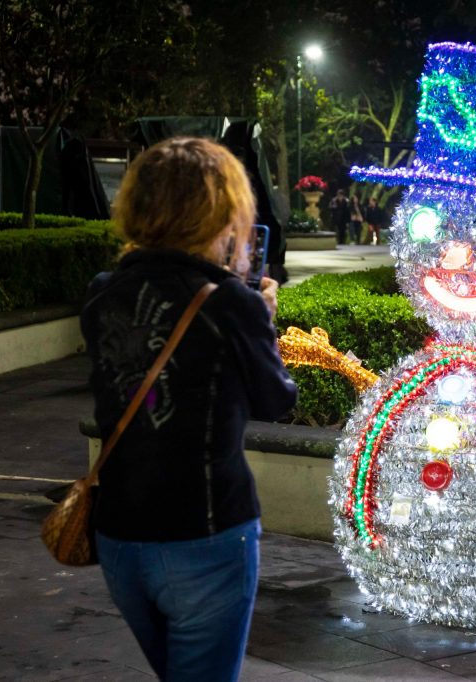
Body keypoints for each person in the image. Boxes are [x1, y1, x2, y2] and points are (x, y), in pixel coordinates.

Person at [80, 137, 298, 680]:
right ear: (221, 211)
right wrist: (262, 319)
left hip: (117, 534)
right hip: (204, 533)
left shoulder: (103, 293)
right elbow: (276, 401)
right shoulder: (230, 301)